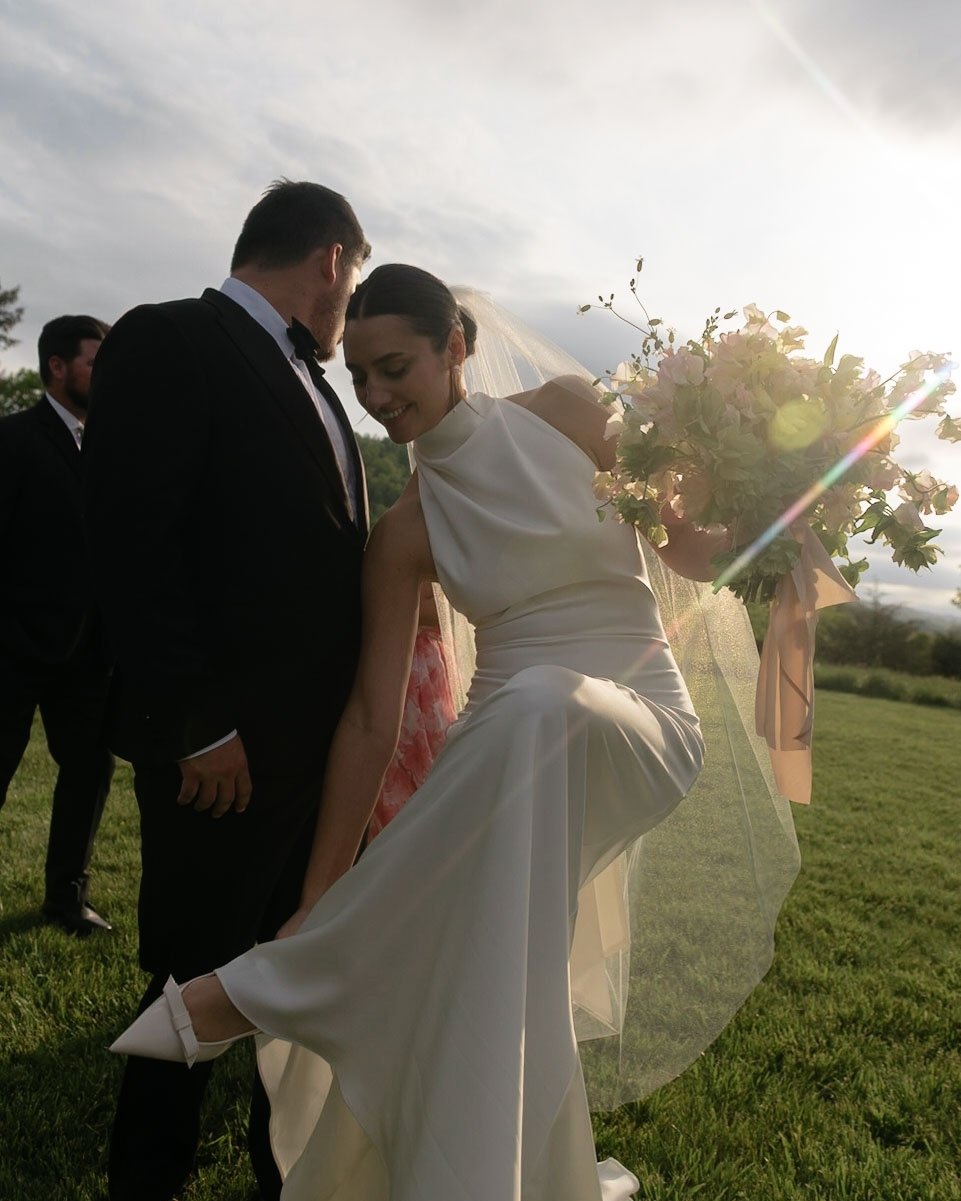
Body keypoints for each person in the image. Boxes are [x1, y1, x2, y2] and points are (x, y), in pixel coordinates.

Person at [111, 265, 801, 1201]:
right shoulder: (405, 533)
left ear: (456, 349)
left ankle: (270, 987)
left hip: (636, 717)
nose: (377, 395)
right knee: (489, 959)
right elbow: (370, 718)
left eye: (395, 366)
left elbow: (687, 551)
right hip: (510, 750)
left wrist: (782, 491)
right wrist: (318, 892)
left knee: (540, 704)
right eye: (358, 378)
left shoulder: (565, 410)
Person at [82, 181, 371, 1201]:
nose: (348, 308)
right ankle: (143, 1180)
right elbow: (130, 541)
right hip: (226, 758)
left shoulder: (320, 389)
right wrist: (196, 725)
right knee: (191, 975)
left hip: (314, 764)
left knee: (292, 980)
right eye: (353, 280)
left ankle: (279, 1171)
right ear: (330, 260)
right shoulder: (172, 339)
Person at [0, 314, 114, 935]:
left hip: (91, 655)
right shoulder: (13, 440)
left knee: (88, 776)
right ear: (58, 368)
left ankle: (67, 901)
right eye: (97, 363)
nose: (107, 376)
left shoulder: (117, 446)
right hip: (11, 653)